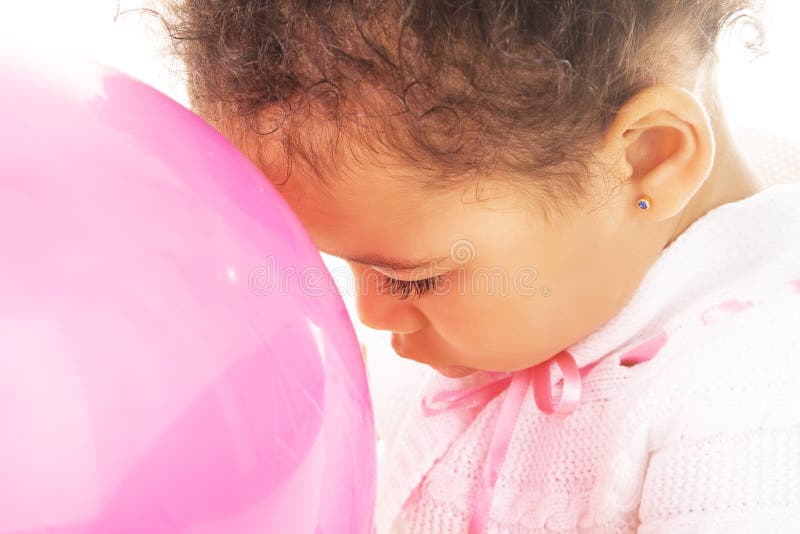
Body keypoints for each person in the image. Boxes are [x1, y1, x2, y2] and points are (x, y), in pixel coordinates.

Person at [163, 1, 800, 531]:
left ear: (647, 160)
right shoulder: (510, 316)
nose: (371, 314)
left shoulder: (750, 408)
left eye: (415, 279)